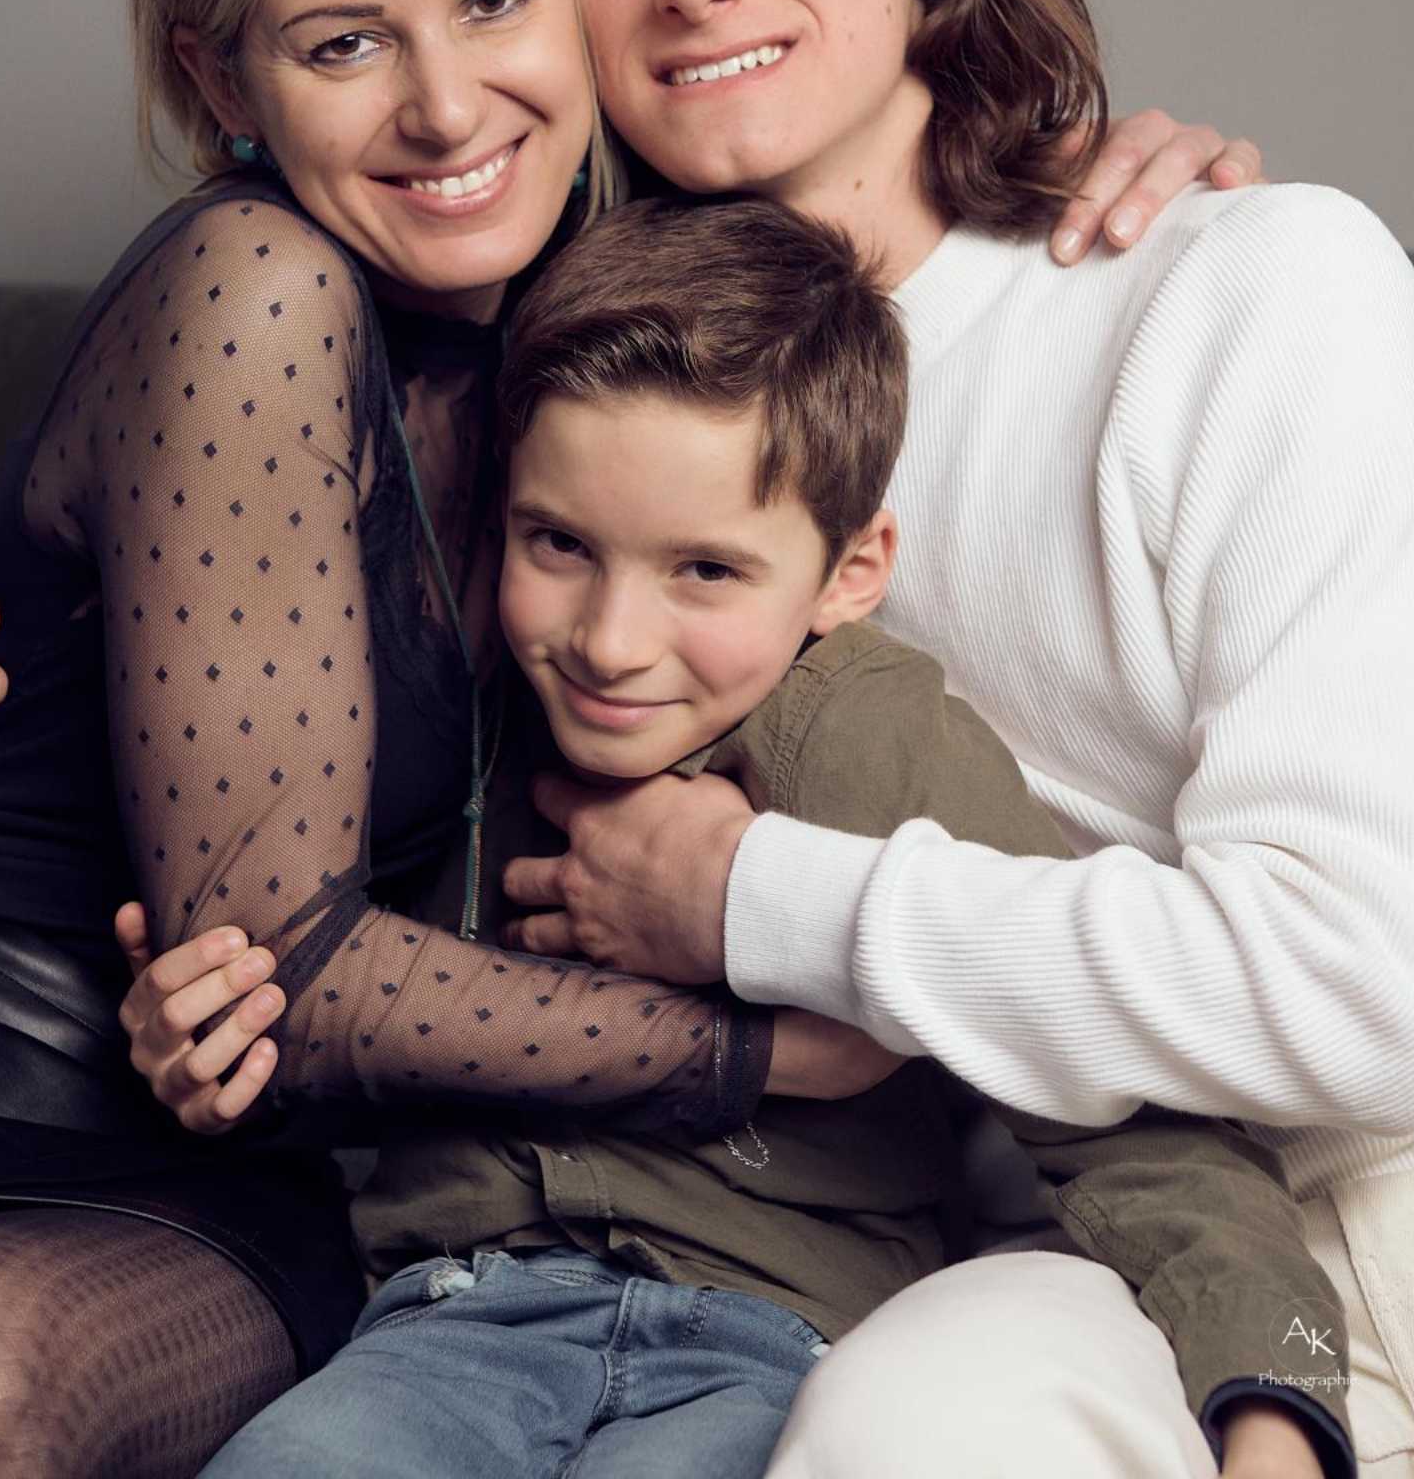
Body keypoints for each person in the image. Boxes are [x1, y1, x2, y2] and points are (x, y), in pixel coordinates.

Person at [0, 0, 1279, 1470]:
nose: (448, 107)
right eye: (343, 42)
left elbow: (832, 120)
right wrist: (771, 1049)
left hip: (274, 1165)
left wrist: (1066, 161)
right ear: (224, 80)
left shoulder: (599, 327)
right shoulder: (259, 283)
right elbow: (284, 965)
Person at [196, 192, 1350, 1479]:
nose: (609, 642)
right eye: (558, 543)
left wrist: (1274, 1402)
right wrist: (208, 1033)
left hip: (768, 1338)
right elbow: (316, 988)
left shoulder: (869, 736)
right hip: (451, 1320)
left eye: (705, 570)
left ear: (852, 570)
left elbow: (1122, 1111)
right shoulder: (448, 706)